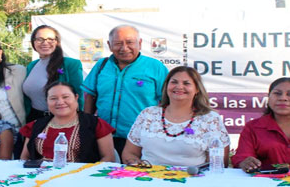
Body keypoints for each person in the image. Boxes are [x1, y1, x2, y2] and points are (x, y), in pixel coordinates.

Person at [82, 25, 168, 156]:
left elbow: (166, 102)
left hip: (140, 139)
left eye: (129, 42)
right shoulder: (101, 65)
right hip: (103, 138)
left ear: (139, 43)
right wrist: (86, 127)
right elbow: (90, 96)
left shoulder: (156, 67)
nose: (124, 48)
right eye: (117, 43)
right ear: (109, 45)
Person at [121, 66, 230, 167]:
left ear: (197, 89)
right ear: (166, 86)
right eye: (174, 82)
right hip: (148, 179)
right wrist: (135, 164)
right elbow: (130, 153)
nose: (179, 87)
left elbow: (219, 162)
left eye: (186, 83)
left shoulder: (210, 119)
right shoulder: (148, 114)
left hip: (193, 181)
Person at [20, 82, 115, 163]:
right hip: (40, 179)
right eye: (53, 98)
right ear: (47, 101)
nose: (60, 102)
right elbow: (24, 158)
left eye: (65, 97)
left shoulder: (96, 124)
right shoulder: (36, 125)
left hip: (81, 179)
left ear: (76, 97)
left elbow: (108, 158)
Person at [23, 25, 84, 122]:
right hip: (34, 119)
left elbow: (79, 95)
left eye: (50, 39)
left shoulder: (71, 64)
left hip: (62, 119)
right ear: (33, 42)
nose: (45, 42)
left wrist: (80, 120)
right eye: (40, 39)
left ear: (57, 42)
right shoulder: (31, 66)